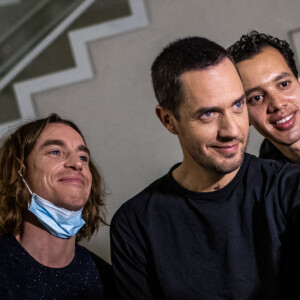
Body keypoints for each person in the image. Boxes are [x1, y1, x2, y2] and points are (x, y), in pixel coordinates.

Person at [110, 36, 300, 299]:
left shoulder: (288, 187)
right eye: (208, 114)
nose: (232, 131)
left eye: (237, 105)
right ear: (168, 120)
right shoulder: (136, 223)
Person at [0, 113, 115, 299]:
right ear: (19, 172)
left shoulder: (107, 280)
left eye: (83, 157)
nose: (76, 163)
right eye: (55, 152)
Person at [228, 30, 300, 162]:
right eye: (256, 98)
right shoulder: (265, 179)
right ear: (244, 115)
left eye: (284, 84)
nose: (277, 104)